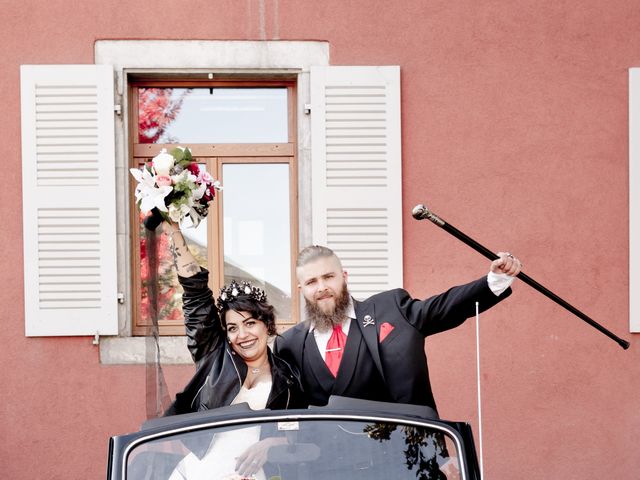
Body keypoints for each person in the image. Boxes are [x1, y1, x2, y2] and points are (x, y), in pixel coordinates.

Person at [274, 245, 522, 413]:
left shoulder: (390, 309)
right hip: (329, 466)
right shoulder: (290, 343)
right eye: (311, 282)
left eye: (328, 277)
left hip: (399, 455)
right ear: (301, 290)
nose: (321, 287)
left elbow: (442, 307)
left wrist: (495, 280)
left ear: (344, 276)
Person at [160, 222, 306, 479]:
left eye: (250, 323)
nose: (243, 335)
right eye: (233, 327)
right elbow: (195, 293)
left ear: (267, 325)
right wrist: (174, 231)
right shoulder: (215, 357)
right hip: (197, 473)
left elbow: (297, 430)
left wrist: (271, 445)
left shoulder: (287, 377)